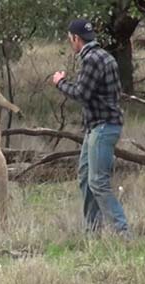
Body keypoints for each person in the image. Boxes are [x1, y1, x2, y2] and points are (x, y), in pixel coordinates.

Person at [52, 19, 132, 240]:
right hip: (98, 127)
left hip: (103, 127)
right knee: (86, 176)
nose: (71, 43)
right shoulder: (105, 56)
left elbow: (81, 94)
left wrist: (60, 82)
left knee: (97, 181)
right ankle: (92, 232)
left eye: (70, 39)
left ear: (76, 39)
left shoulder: (91, 60)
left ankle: (123, 233)